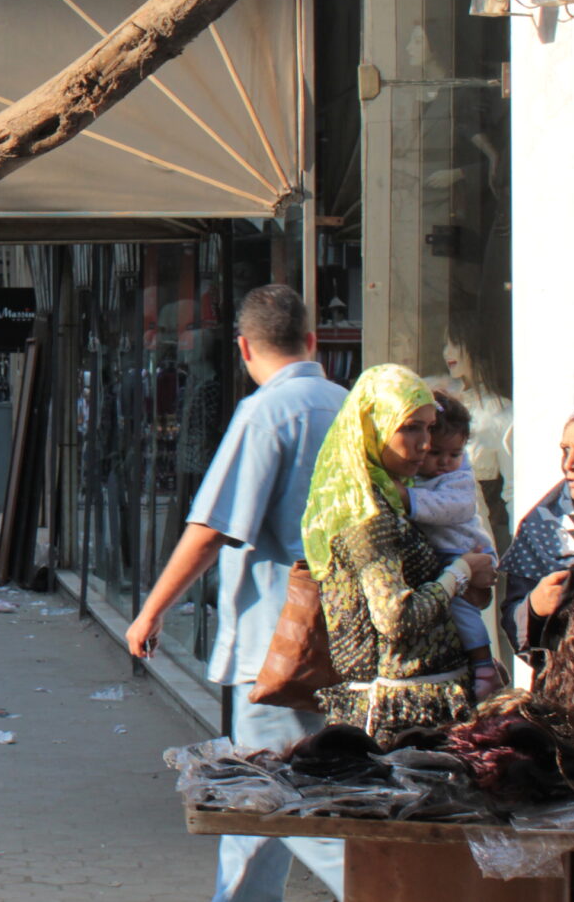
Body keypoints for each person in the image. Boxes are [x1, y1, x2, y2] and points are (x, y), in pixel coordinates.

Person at [123, 284, 347, 902]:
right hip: (338, 634)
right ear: (311, 340)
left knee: (284, 798)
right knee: (258, 798)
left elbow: (212, 528)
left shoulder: (267, 413)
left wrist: (151, 611)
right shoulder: (347, 405)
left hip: (276, 642)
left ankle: (382, 887)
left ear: (244, 347)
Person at [301, 364, 488, 739]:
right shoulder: (367, 513)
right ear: (373, 426)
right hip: (399, 718)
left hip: (420, 706)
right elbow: (395, 617)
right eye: (410, 428)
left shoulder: (396, 495)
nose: (425, 443)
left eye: (429, 428)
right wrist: (462, 571)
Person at [407, 392, 499, 698]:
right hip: (446, 556)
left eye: (454, 453)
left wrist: (407, 499)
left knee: (460, 608)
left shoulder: (458, 477)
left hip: (464, 551)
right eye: (435, 453)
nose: (445, 462)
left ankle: (484, 665)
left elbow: (452, 508)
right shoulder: (410, 474)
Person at [501, 403, 574, 668]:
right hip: (571, 684)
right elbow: (512, 620)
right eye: (565, 450)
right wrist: (534, 607)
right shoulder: (541, 529)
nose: (569, 464)